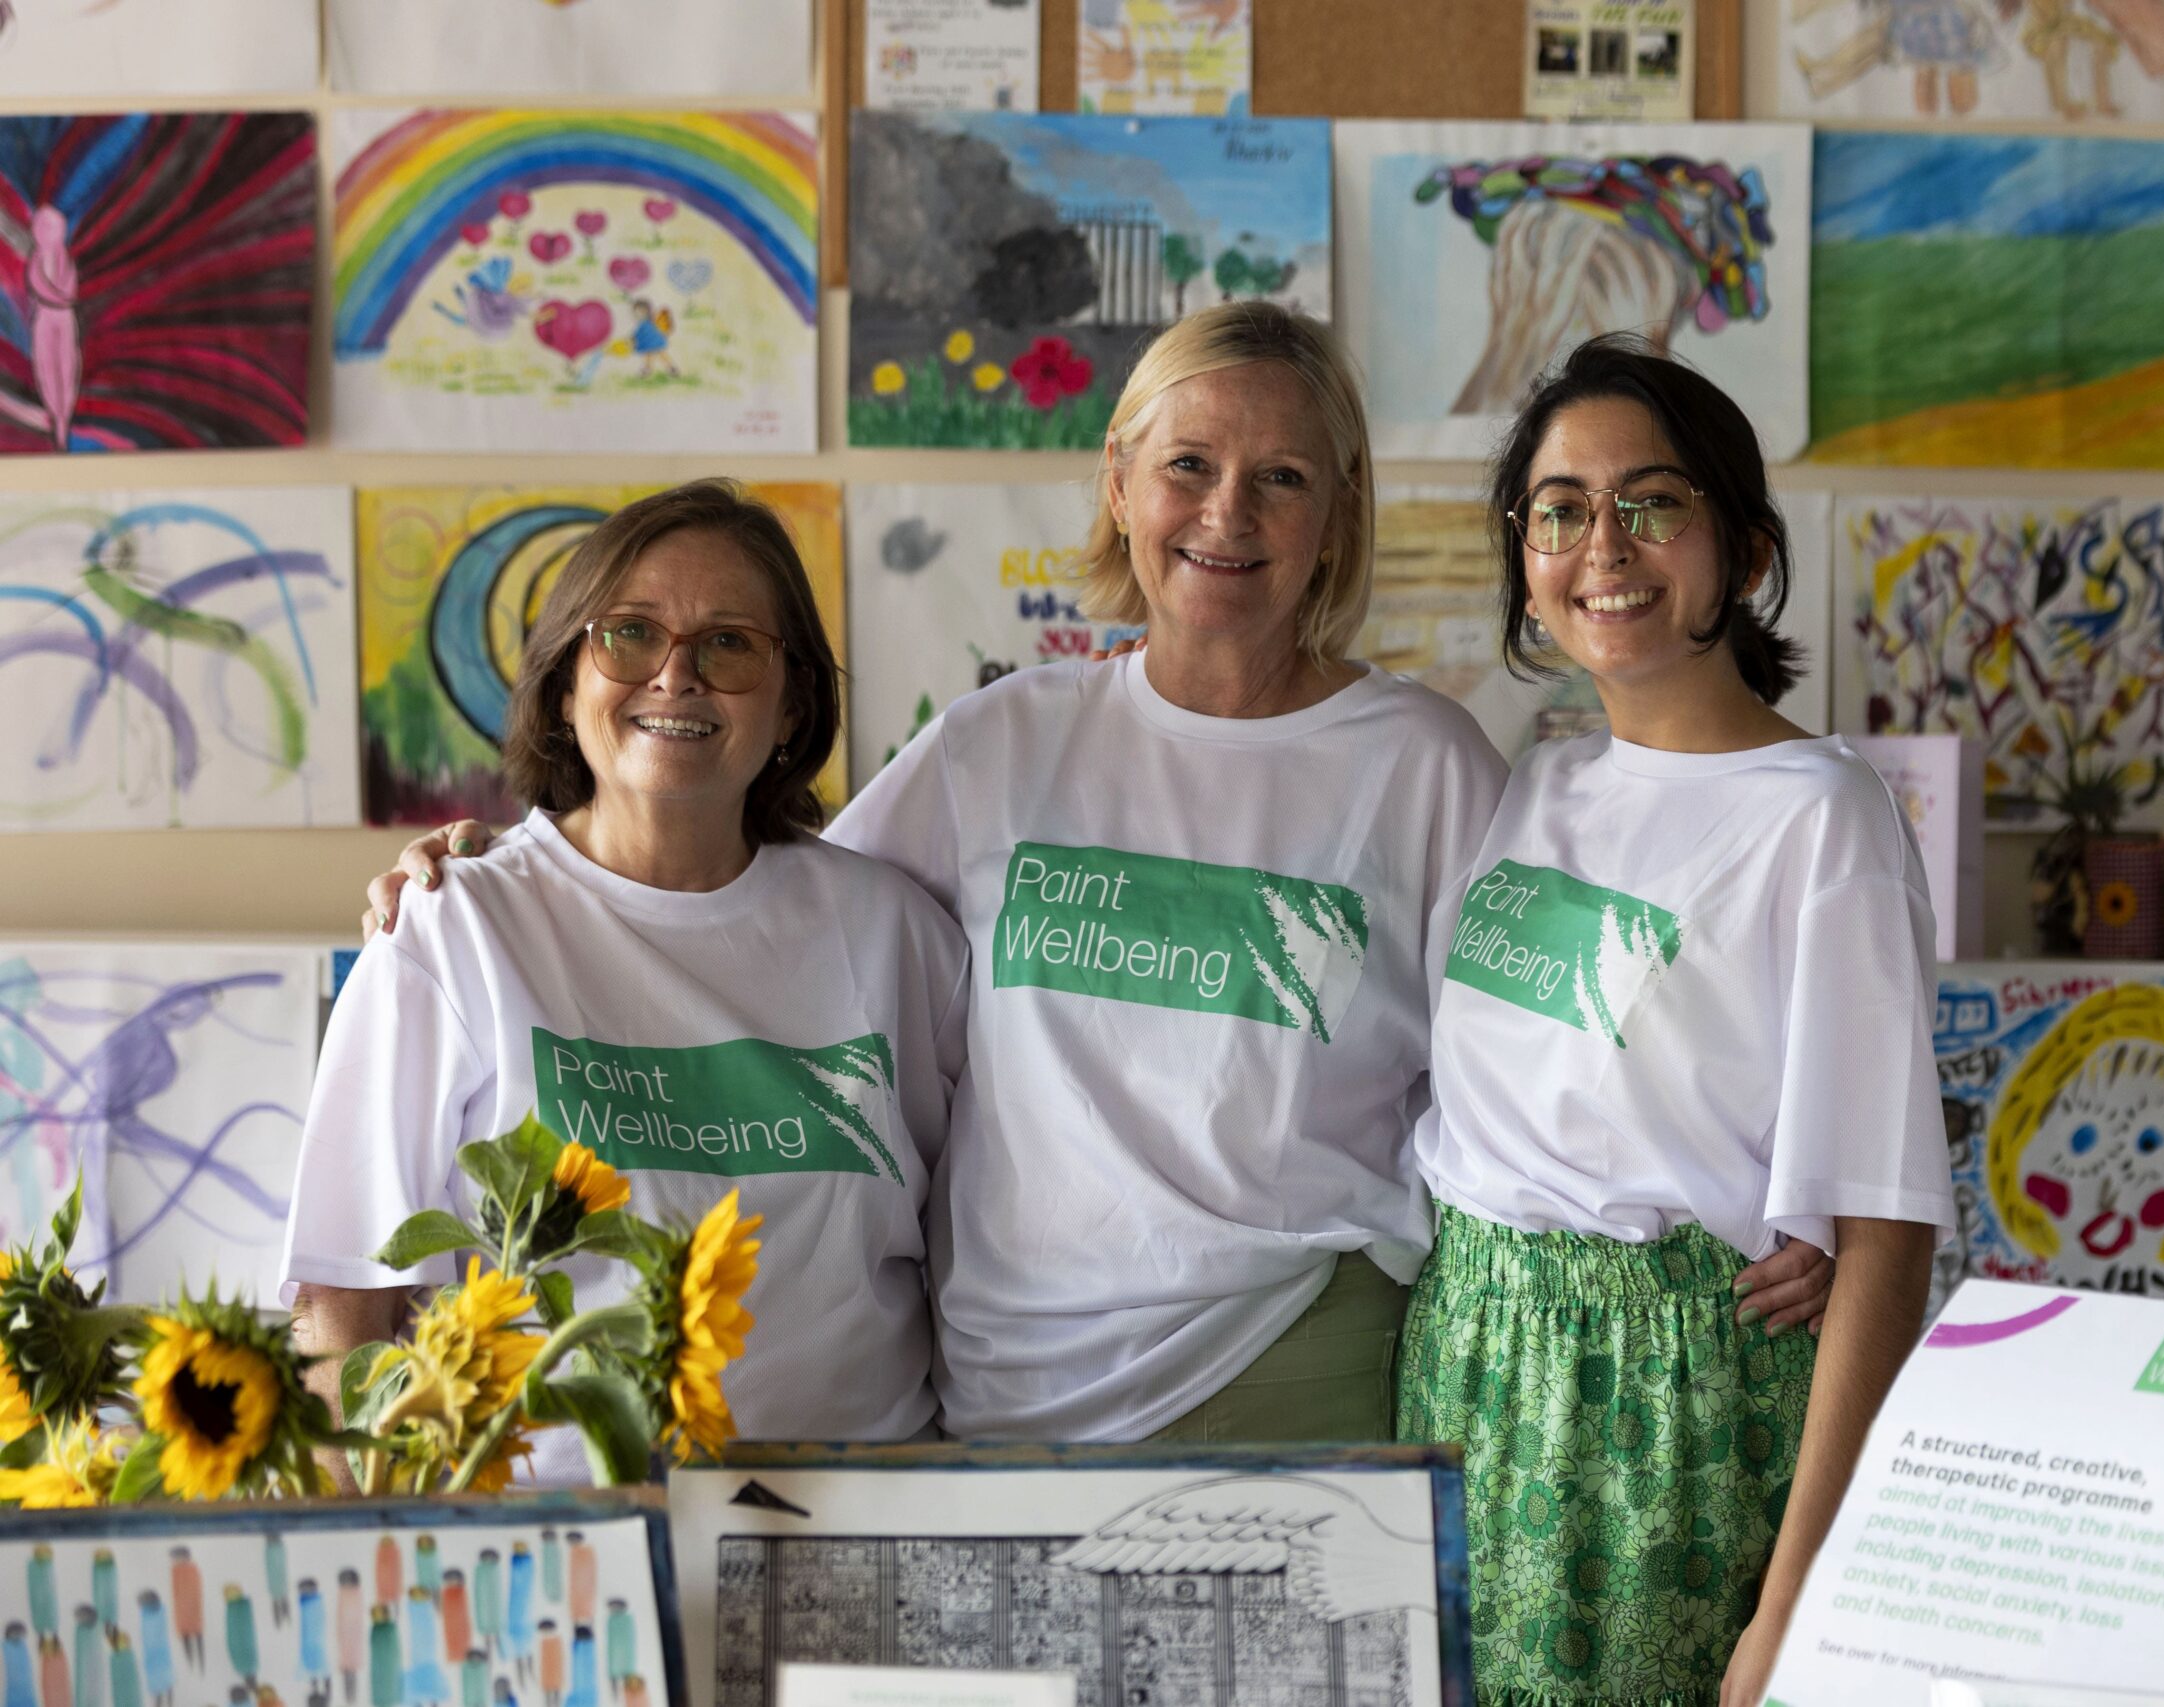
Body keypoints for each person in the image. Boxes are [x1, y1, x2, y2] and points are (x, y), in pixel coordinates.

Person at [363, 303, 1834, 1444]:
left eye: (1282, 478)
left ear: (1337, 514)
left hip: (1297, 1355)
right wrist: (522, 871)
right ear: (1121, 479)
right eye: (1189, 465)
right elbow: (747, 904)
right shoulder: (1003, 741)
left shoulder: (1424, 760)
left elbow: (1567, 1038)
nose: (1228, 512)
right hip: (1007, 1387)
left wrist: (1767, 1205)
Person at [1396, 337, 1952, 1707]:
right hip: (1468, 1376)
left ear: (1747, 547)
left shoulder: (1821, 814)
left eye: (1653, 502)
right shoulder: (1533, 778)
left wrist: (1794, 1603)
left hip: (1665, 1427)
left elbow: (1883, 1226)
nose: (1606, 544)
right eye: (1562, 508)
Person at [287, 480, 965, 1480]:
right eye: (630, 634)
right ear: (566, 686)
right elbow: (345, 1313)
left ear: (792, 708)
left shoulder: (894, 932)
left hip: (868, 1538)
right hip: (556, 1560)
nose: (676, 675)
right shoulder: (453, 929)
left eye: (730, 643)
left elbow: (983, 1250)